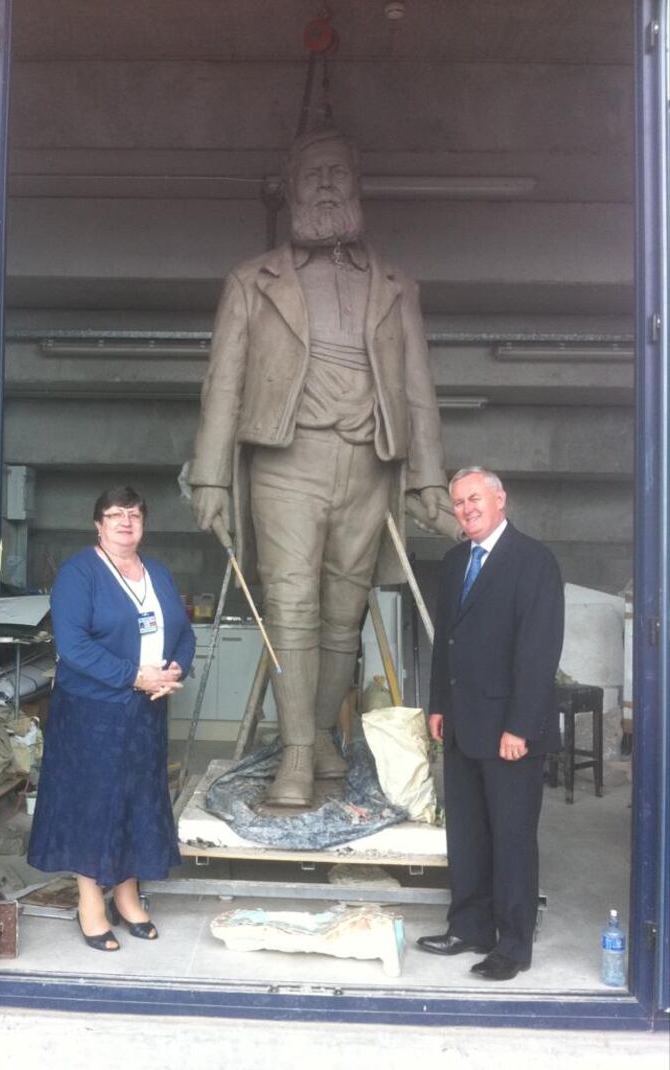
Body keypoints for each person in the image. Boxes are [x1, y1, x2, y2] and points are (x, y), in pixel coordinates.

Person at [188, 126, 457, 807]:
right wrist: (212, 476)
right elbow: (223, 383)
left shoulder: (397, 285)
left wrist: (428, 476)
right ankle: (299, 755)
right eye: (315, 174)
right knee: (293, 607)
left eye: (340, 172)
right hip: (287, 464)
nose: (328, 184)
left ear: (357, 185)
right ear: (290, 188)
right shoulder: (253, 282)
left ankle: (320, 737)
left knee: (344, 612)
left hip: (368, 466)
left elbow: (420, 387)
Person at [28, 486, 195, 951]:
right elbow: (74, 646)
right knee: (94, 803)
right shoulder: (80, 573)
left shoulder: (156, 572)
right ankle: (90, 902)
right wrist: (134, 677)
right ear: (98, 524)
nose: (126, 522)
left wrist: (177, 667)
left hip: (146, 712)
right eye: (115, 515)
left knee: (138, 800)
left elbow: (184, 632)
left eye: (135, 515)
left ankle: (126, 893)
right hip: (91, 712)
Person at [417, 467, 564, 981]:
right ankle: (469, 927)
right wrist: (437, 704)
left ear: (500, 499)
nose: (466, 509)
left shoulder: (534, 561)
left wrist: (520, 727)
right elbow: (446, 644)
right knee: (469, 835)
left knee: (512, 839)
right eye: (458, 503)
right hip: (461, 725)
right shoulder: (455, 560)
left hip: (509, 733)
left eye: (474, 498)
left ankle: (513, 944)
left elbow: (539, 652)